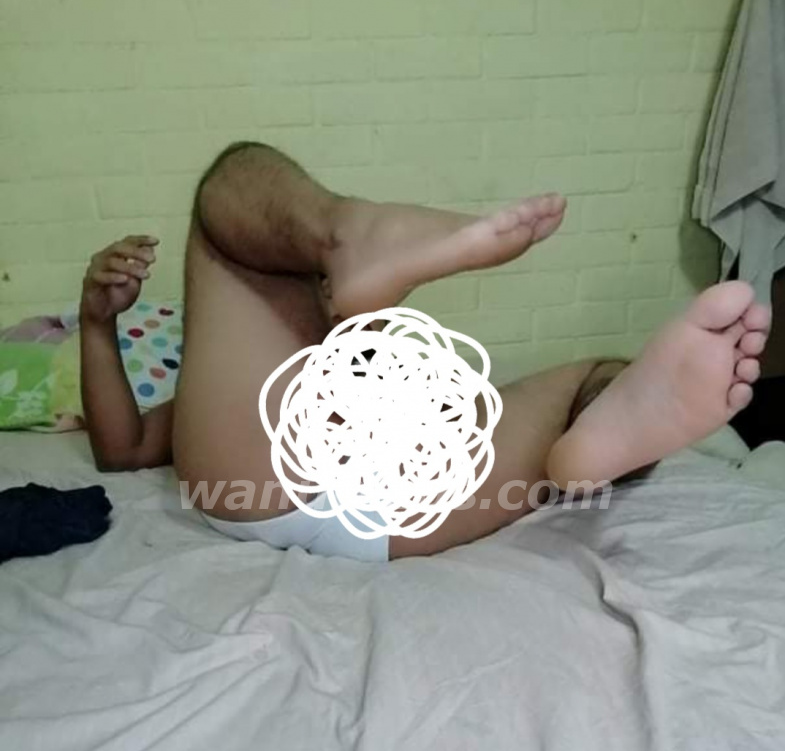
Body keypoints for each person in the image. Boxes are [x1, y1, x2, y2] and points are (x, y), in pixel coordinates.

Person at [79, 141, 772, 562]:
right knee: (592, 379)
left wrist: (94, 326)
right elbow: (128, 448)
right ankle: (589, 442)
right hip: (415, 507)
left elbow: (123, 449)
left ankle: (592, 439)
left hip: (274, 485)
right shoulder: (262, 373)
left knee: (230, 182)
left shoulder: (235, 395)